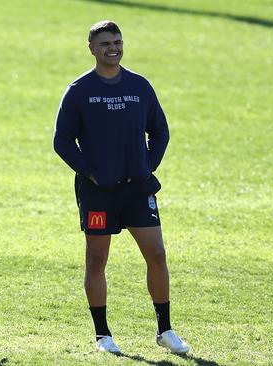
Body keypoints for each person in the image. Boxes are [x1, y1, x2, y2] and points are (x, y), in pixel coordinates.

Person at [53, 20, 190, 354]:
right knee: (97, 259)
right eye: (105, 44)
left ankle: (165, 330)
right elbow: (62, 141)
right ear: (91, 48)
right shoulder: (80, 90)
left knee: (157, 255)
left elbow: (160, 130)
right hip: (98, 192)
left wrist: (148, 164)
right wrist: (90, 172)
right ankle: (103, 335)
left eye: (117, 42)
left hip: (137, 189)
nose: (112, 48)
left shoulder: (139, 86)